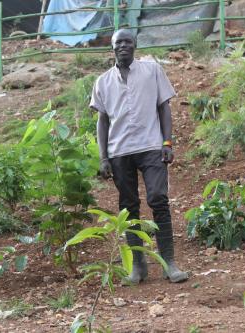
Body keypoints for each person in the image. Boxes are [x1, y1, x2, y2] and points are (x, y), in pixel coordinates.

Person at [90, 29, 189, 285]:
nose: (123, 46)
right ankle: (138, 266)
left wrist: (167, 141)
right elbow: (102, 121)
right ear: (112, 48)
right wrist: (103, 157)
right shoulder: (102, 82)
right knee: (128, 206)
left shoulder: (152, 70)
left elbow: (163, 107)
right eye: (118, 42)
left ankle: (169, 263)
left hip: (151, 146)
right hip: (119, 152)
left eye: (127, 41)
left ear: (135, 45)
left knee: (158, 198)